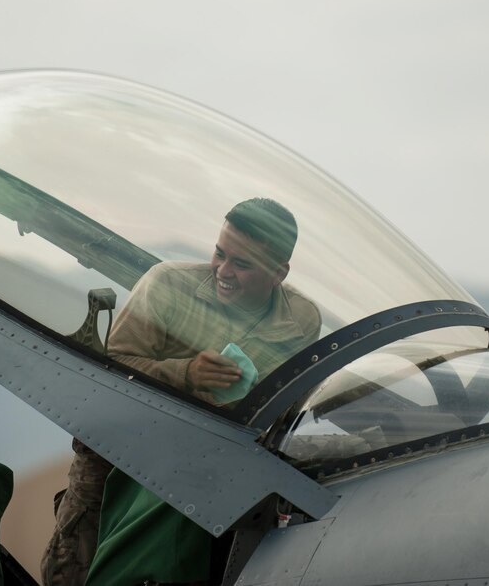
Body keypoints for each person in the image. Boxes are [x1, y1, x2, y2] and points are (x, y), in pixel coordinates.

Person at [40, 198, 320, 586]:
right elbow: (115, 372)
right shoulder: (167, 285)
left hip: (217, 472)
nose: (223, 271)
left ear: (279, 273)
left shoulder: (301, 320)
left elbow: (290, 405)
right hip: (122, 455)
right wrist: (186, 374)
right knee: (74, 570)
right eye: (219, 254)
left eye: (242, 264)